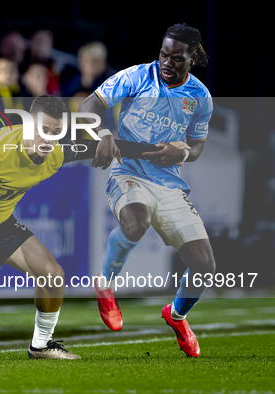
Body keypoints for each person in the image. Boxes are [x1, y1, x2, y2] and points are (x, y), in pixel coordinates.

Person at [0, 95, 160, 360]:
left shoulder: (57, 152)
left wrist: (155, 151)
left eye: (56, 132)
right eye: (43, 130)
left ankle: (41, 345)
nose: (49, 138)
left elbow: (100, 146)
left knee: (53, 274)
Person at [78, 23, 213, 358]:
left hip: (168, 182)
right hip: (129, 171)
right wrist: (104, 132)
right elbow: (88, 107)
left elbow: (196, 148)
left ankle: (177, 315)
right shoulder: (137, 76)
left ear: (192, 58)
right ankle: (105, 283)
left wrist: (179, 153)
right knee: (135, 224)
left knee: (205, 268)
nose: (167, 62)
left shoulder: (200, 98)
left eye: (177, 58)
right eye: (164, 53)